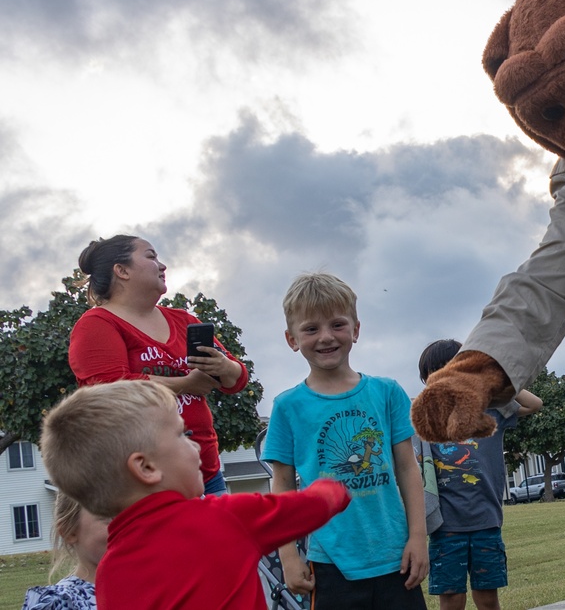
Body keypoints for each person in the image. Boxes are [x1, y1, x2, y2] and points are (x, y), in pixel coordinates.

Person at [39, 380, 351, 609]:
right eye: (182, 434)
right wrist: (334, 486)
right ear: (146, 467)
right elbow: (312, 506)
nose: (195, 444)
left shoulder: (108, 573)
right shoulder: (223, 517)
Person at [262, 272, 429, 610]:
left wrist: (418, 537)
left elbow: (408, 469)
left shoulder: (387, 393)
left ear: (355, 329)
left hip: (396, 557)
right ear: (291, 339)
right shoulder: (287, 407)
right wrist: (289, 555)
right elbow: (281, 485)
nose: (326, 337)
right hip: (330, 563)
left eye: (337, 325)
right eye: (311, 329)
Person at [68, 235, 249, 495]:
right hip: (143, 485)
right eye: (151, 257)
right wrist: (185, 384)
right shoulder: (97, 324)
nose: (162, 266)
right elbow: (106, 389)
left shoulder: (184, 319)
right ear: (122, 270)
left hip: (206, 475)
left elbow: (238, 378)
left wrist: (223, 367)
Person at [417, 339, 543, 610]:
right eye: (436, 374)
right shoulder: (425, 419)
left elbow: (535, 404)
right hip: (445, 526)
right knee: (451, 601)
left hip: (486, 520)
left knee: (487, 600)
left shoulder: (491, 410)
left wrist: (495, 372)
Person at [21, 493, 108, 610]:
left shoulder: (137, 590)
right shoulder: (61, 604)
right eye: (108, 517)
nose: (126, 525)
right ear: (70, 532)